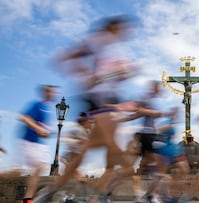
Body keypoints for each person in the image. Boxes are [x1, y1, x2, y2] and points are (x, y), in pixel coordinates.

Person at [35, 15, 138, 203]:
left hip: (111, 99)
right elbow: (65, 57)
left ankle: (51, 191)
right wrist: (85, 75)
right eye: (123, 27)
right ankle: (132, 186)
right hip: (99, 99)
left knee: (88, 150)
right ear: (113, 27)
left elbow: (119, 73)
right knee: (110, 144)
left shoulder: (118, 48)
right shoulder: (100, 39)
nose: (126, 31)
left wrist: (124, 72)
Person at [17, 84, 57, 203]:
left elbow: (42, 125)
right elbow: (24, 117)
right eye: (51, 92)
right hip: (30, 141)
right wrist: (38, 129)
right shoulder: (37, 105)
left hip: (39, 143)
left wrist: (46, 131)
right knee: (36, 168)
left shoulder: (47, 108)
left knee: (40, 167)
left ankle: (27, 198)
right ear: (46, 93)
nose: (54, 94)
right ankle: (27, 198)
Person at [60, 112, 92, 202]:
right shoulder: (77, 130)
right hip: (72, 157)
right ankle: (68, 197)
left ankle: (69, 197)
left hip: (75, 157)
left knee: (75, 180)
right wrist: (77, 142)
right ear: (84, 122)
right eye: (89, 121)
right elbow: (65, 139)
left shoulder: (86, 132)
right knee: (77, 179)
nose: (91, 123)